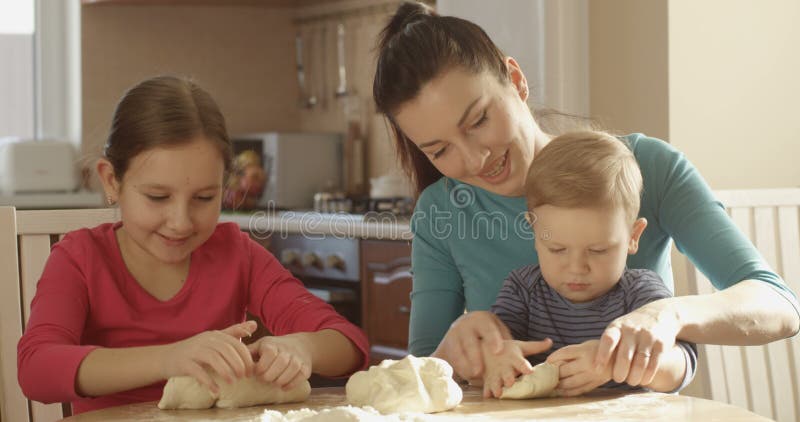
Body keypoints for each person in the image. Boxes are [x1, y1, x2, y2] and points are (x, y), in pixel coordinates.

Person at [372, 1, 799, 387]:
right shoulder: (441, 211)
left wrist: (668, 315)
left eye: (479, 119)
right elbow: (422, 370)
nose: (475, 158)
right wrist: (452, 350)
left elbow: (778, 305)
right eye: (439, 150)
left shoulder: (646, 166)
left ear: (516, 80)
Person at [17, 76, 369, 414]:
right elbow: (36, 369)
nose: (181, 222)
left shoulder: (236, 254)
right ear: (112, 180)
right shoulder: (81, 258)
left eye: (203, 197)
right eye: (158, 196)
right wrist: (168, 358)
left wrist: (302, 347)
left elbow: (349, 344)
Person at [477, 131, 696, 398]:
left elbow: (682, 365)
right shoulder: (522, 289)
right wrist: (497, 358)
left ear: (633, 236)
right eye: (557, 249)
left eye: (598, 250)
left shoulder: (640, 293)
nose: (577, 267)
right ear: (535, 234)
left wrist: (616, 363)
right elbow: (496, 347)